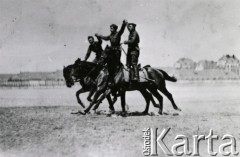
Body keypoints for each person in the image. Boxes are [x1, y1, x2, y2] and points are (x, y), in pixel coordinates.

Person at [95, 20, 128, 85]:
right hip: (111, 50)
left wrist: (123, 24)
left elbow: (122, 30)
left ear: (115, 29)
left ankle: (119, 70)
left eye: (112, 28)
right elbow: (105, 38)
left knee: (116, 62)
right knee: (105, 57)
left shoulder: (118, 34)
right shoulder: (110, 36)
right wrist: (99, 36)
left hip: (117, 50)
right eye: (110, 28)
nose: (111, 29)